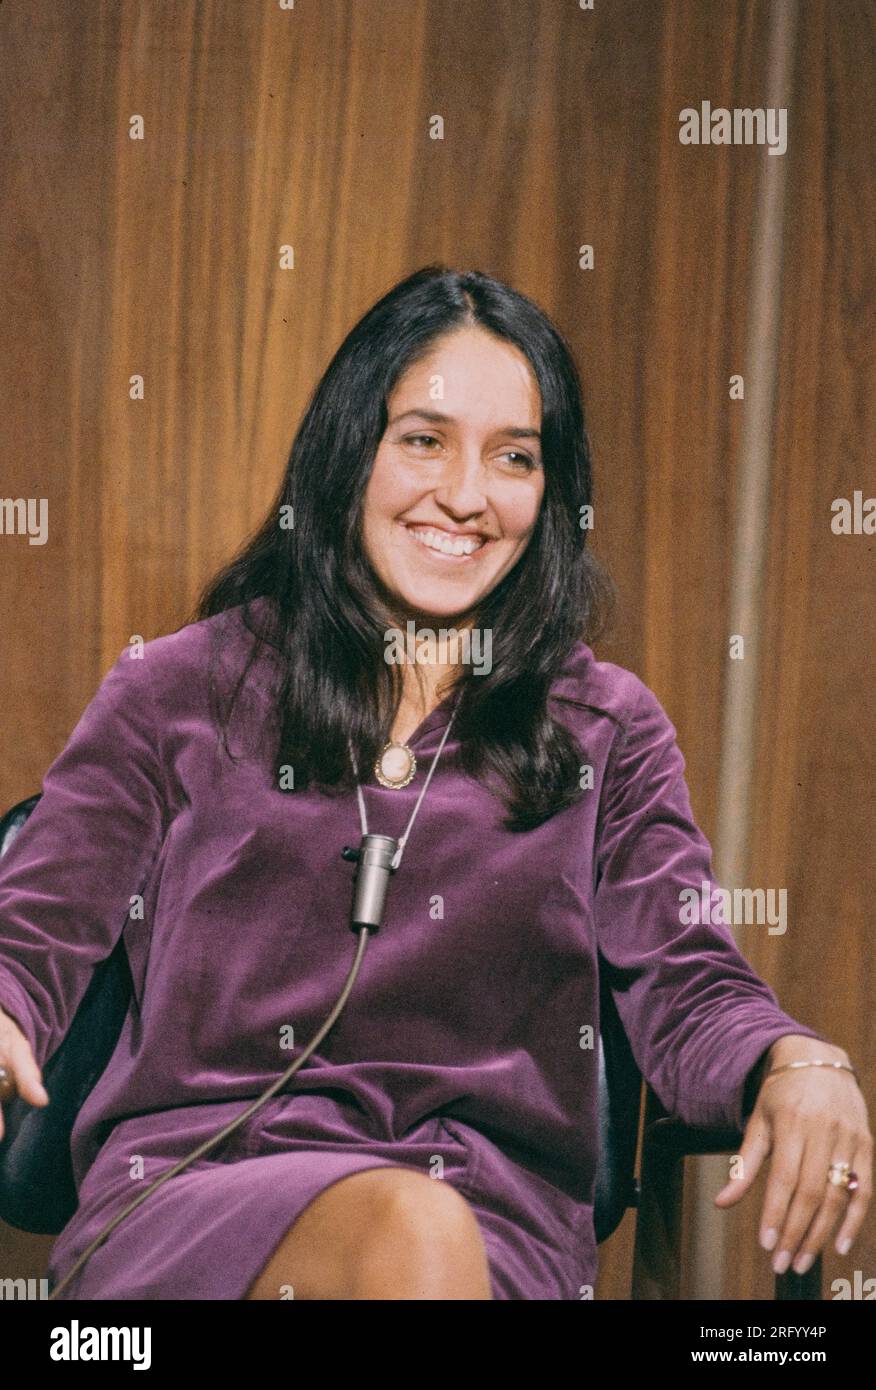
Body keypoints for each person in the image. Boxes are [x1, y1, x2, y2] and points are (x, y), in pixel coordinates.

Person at [0, 266, 869, 1300]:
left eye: (514, 457)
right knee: (411, 1231)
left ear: (550, 492)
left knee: (426, 1229)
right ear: (348, 450)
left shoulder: (607, 729)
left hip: (495, 1234)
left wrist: (798, 1060)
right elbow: (36, 923)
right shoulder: (177, 689)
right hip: (196, 1205)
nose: (465, 495)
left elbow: (685, 978)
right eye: (423, 439)